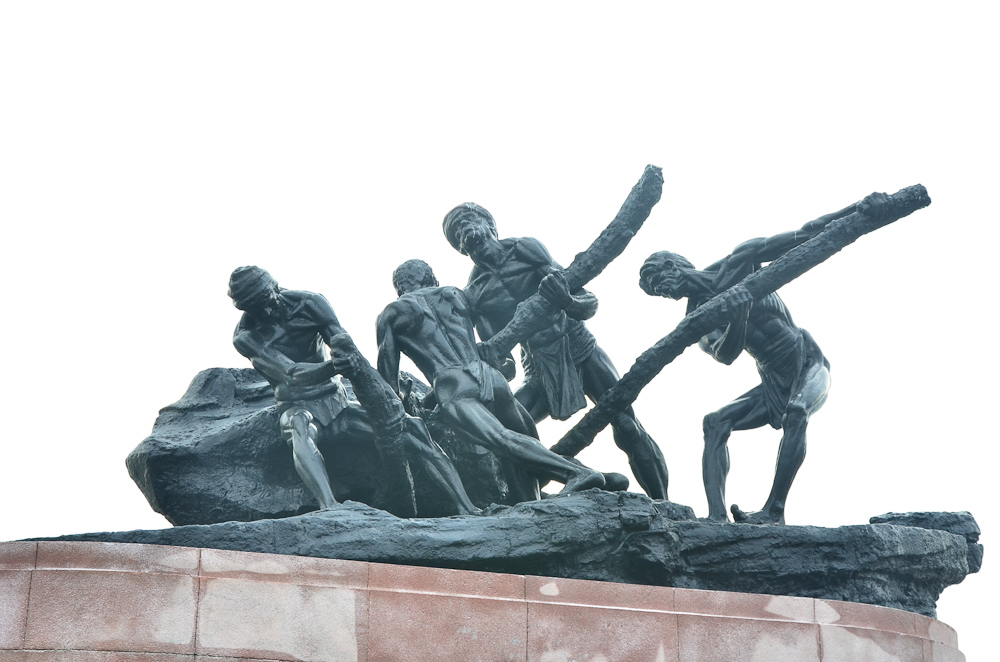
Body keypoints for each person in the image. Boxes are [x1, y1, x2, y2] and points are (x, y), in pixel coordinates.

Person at [638, 204, 855, 524]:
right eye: (656, 292)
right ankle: (716, 516)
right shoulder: (695, 319)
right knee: (714, 423)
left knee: (797, 412)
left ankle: (774, 511)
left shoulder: (740, 262)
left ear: (672, 265)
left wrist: (858, 209)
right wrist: (739, 318)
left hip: (805, 360)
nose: (662, 292)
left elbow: (807, 233)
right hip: (770, 377)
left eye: (658, 281)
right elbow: (725, 355)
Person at [442, 203, 670, 500]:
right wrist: (492, 359)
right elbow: (504, 365)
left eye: (468, 221)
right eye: (457, 230)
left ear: (490, 224)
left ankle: (663, 505)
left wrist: (567, 301)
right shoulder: (476, 293)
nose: (465, 230)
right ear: (459, 247)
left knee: (627, 425)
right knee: (506, 430)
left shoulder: (526, 250)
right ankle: (570, 478)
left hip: (578, 346)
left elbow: (587, 301)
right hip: (538, 366)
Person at [228, 265, 477, 515]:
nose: (266, 311)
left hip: (338, 402)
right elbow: (290, 374)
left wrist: (353, 362)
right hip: (298, 404)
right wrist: (333, 366)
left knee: (413, 429)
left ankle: (467, 507)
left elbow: (341, 340)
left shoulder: (309, 303)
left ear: (275, 287)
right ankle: (330, 507)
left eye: (267, 301)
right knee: (299, 427)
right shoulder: (246, 336)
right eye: (256, 309)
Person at [376, 259, 606, 498]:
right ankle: (530, 503)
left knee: (501, 440)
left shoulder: (391, 315)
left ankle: (576, 473)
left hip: (452, 386)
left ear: (399, 287)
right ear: (431, 277)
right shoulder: (455, 294)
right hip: (489, 376)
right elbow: (494, 348)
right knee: (517, 450)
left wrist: (406, 400)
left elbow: (387, 384)